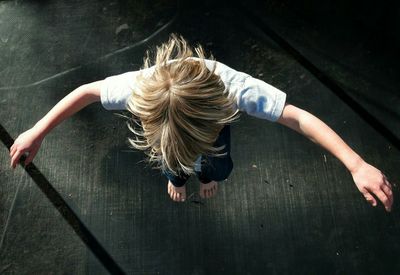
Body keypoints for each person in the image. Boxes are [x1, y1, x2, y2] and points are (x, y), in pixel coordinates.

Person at [9, 34, 393, 211]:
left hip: (209, 131)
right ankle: (178, 176)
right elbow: (87, 91)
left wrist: (356, 163)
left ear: (220, 116)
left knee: (216, 166)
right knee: (172, 166)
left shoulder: (235, 91)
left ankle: (206, 176)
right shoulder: (142, 88)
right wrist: (37, 130)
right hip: (181, 133)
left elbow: (298, 118)